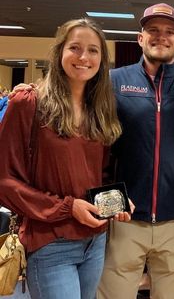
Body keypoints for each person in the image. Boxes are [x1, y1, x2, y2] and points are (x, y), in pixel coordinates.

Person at [0, 18, 129, 299]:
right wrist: (67, 208)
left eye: (93, 50)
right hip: (51, 242)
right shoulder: (28, 103)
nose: (84, 57)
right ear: (60, 52)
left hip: (94, 241)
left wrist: (116, 200)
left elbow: (101, 175)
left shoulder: (100, 110)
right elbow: (5, 181)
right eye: (75, 48)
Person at [97, 3, 174, 299]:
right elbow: (97, 145)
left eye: (170, 31)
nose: (161, 36)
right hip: (124, 218)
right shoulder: (114, 82)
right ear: (140, 38)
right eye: (153, 30)